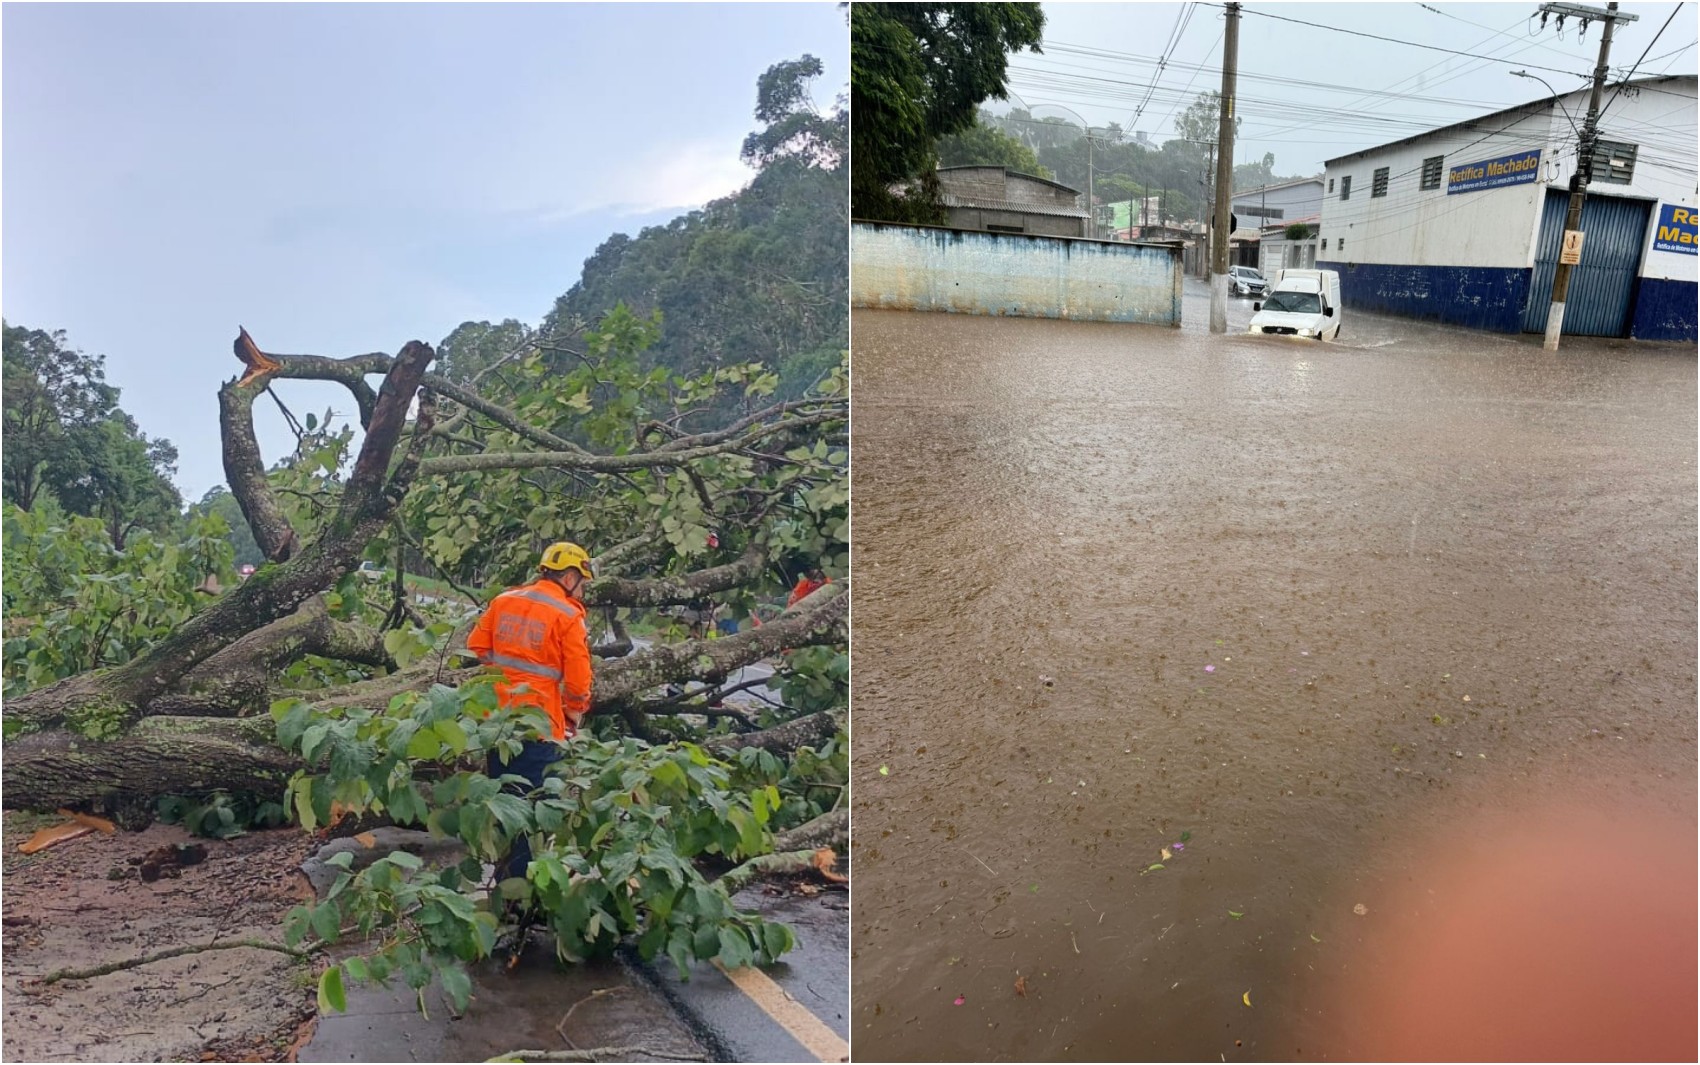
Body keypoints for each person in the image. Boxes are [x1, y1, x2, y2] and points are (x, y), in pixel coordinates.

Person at [467, 541, 594, 883]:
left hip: (495, 725)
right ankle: (521, 890)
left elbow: (477, 648)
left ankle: (505, 878)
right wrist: (574, 712)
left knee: (503, 803)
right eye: (582, 582)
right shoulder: (568, 615)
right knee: (536, 807)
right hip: (538, 726)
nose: (582, 590)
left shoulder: (505, 600)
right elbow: (579, 682)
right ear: (569, 577)